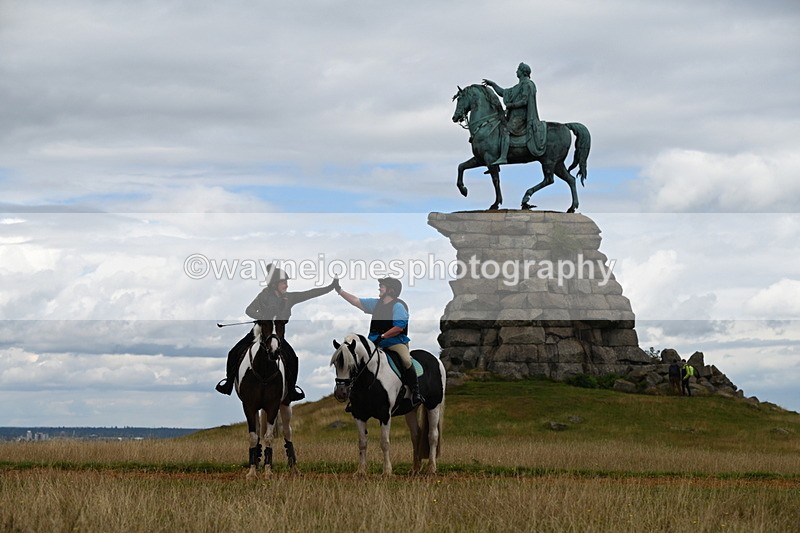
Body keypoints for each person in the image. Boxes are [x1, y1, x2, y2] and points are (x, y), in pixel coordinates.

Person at [215, 265, 339, 400]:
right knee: (233, 352)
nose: (286, 285)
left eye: (286, 282)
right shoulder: (263, 296)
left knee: (293, 358)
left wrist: (331, 287)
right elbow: (249, 310)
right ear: (274, 284)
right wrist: (264, 317)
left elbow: (309, 293)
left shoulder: (289, 298)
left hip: (278, 335)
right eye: (283, 283)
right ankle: (228, 383)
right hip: (261, 332)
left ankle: (291, 390)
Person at [336, 277, 424, 405]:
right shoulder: (376, 304)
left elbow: (399, 327)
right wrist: (339, 290)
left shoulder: (398, 306)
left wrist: (382, 336)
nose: (379, 288)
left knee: (406, 360)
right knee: (360, 364)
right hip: (376, 344)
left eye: (382, 286)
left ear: (391, 290)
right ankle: (356, 397)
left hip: (395, 343)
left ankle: (416, 392)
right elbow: (356, 301)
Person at [482, 62, 546, 166]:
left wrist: (511, 105)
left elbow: (525, 101)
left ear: (522, 72)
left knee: (505, 130)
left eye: (518, 69)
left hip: (522, 117)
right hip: (514, 116)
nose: (516, 71)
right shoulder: (518, 86)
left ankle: (503, 157)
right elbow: (503, 93)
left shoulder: (527, 84)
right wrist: (493, 84)